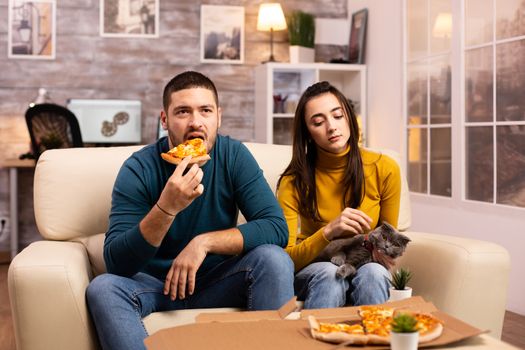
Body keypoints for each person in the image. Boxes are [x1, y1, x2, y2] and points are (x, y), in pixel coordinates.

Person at [86, 71, 294, 350]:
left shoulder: (233, 155)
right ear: (165, 120)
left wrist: (204, 243)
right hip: (155, 287)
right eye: (183, 112)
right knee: (103, 288)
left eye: (205, 110)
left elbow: (276, 228)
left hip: (217, 282)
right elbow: (117, 263)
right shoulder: (139, 168)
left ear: (218, 116)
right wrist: (166, 208)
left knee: (274, 258)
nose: (196, 122)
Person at [277, 81, 401, 309]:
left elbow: (388, 246)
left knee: (374, 273)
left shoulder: (385, 168)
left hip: (365, 263)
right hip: (316, 268)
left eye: (337, 116)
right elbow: (284, 260)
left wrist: (379, 248)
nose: (332, 127)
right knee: (329, 273)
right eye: (318, 122)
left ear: (349, 118)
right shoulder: (293, 181)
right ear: (308, 133)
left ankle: (374, 340)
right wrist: (328, 232)